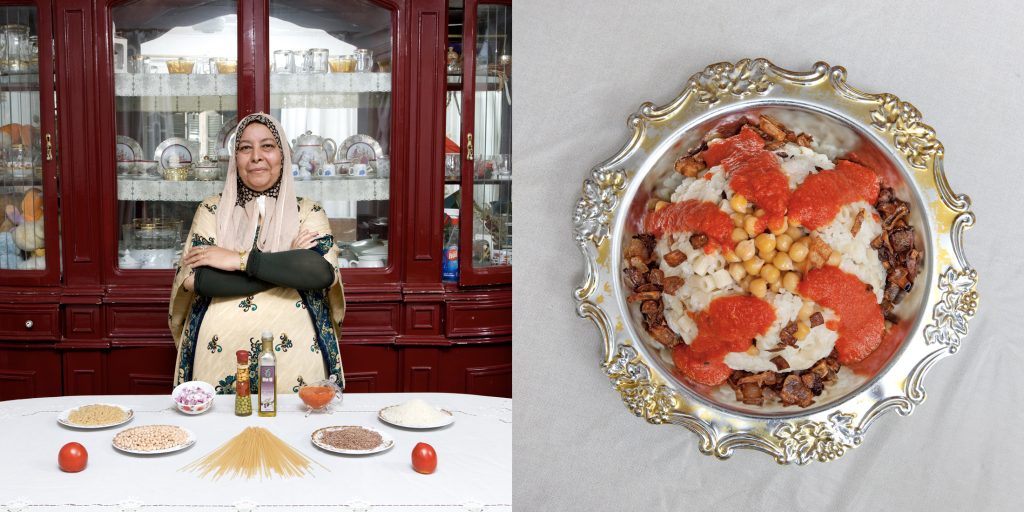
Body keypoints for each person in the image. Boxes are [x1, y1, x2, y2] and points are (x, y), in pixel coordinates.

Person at [168, 112, 345, 395]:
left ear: (283, 155)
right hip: (218, 358)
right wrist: (288, 266)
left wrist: (237, 260)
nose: (256, 157)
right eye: (245, 148)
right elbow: (200, 281)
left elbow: (319, 273)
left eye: (267, 146)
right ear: (235, 158)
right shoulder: (211, 211)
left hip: (298, 359)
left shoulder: (309, 212)